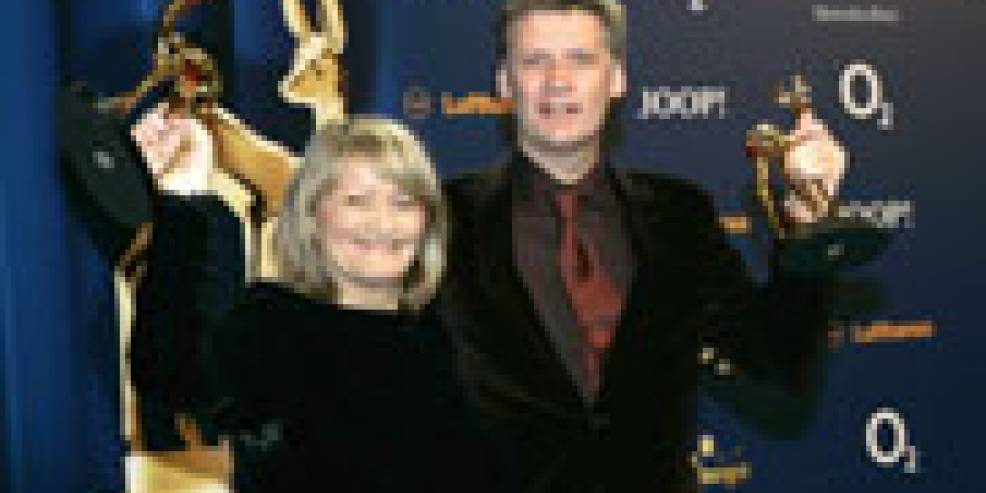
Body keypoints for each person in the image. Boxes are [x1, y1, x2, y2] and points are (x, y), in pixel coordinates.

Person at [433, 0, 847, 491]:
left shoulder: (680, 216)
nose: (558, 81)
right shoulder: (440, 220)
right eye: (535, 60)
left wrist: (808, 225)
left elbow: (776, 359)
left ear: (617, 79)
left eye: (580, 59)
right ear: (504, 82)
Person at [129, 115, 499, 492]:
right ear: (312, 217)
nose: (382, 223)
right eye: (357, 201)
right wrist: (182, 199)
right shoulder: (274, 329)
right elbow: (172, 372)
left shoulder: (462, 338)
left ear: (428, 222)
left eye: (403, 203)